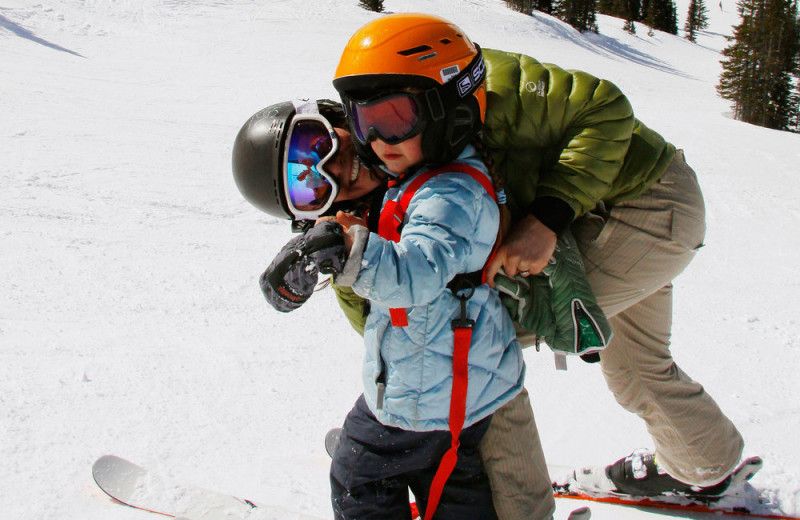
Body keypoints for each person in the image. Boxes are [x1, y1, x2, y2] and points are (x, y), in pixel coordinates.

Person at [330, 11, 744, 512]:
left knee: (482, 332)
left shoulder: (493, 87)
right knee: (637, 369)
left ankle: (516, 509)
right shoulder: (397, 152)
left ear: (441, 97)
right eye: (363, 122)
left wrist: (546, 218)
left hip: (646, 207)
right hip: (639, 209)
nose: (373, 142)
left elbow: (606, 108)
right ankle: (707, 465)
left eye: (390, 120)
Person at [235, 30, 529, 519]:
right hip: (448, 386)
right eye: (310, 187)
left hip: (427, 395)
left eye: (318, 144)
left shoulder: (445, 188)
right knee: (448, 475)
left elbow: (418, 269)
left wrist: (345, 251)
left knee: (359, 476)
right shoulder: (416, 175)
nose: (335, 169)